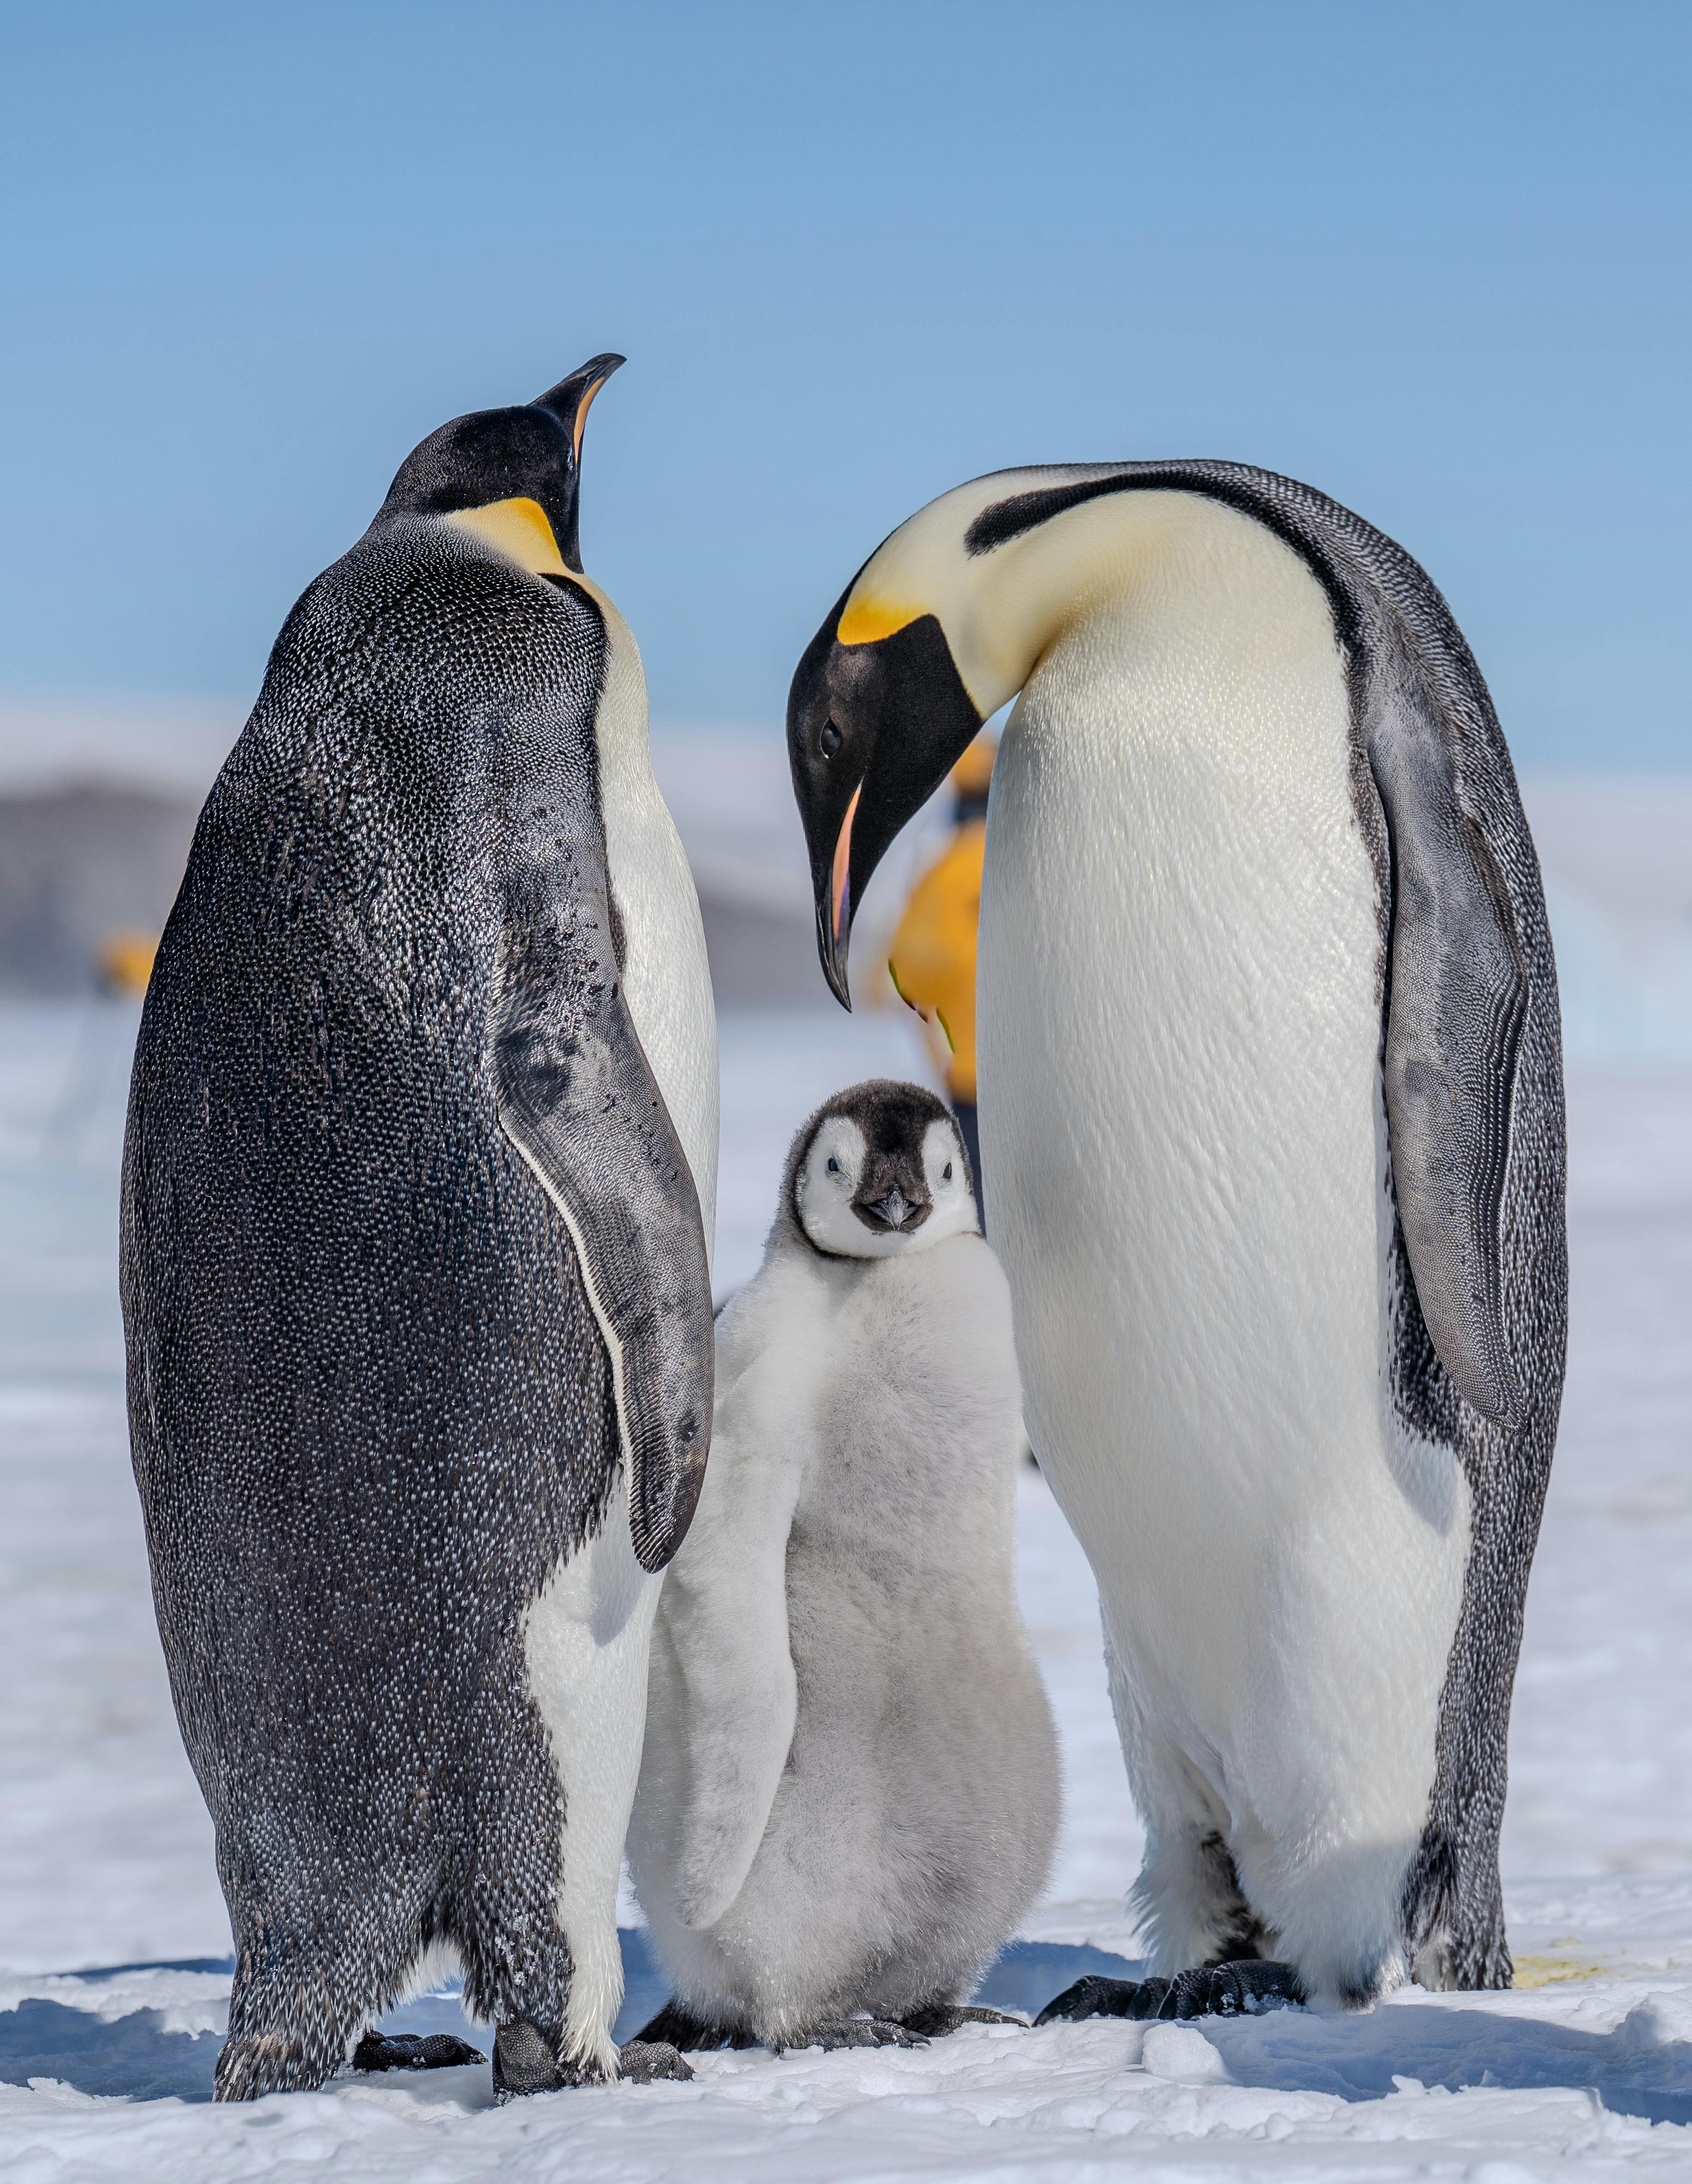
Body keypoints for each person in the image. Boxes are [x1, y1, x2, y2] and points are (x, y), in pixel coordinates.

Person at [886, 732, 995, 1222]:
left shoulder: (941, 874)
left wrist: (942, 1057)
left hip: (970, 1078)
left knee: (989, 1221)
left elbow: (905, 980)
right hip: (1045, 1076)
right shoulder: (1031, 860)